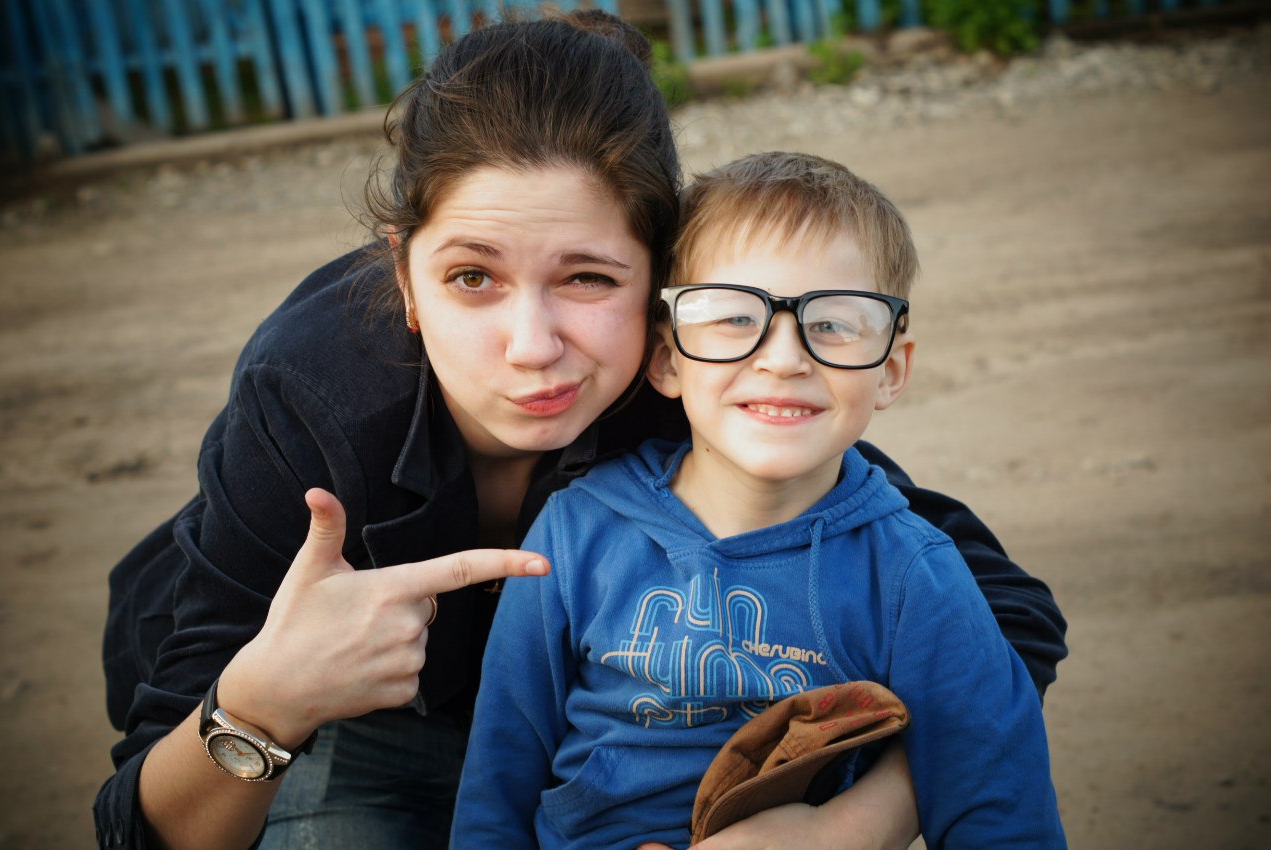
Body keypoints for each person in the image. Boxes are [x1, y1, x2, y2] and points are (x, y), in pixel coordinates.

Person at [94, 14, 1066, 850]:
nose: (533, 347)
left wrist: (847, 825)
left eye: (589, 277)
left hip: (599, 744)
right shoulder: (312, 395)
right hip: (355, 723)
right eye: (471, 276)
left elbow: (1004, 618)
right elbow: (144, 825)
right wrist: (267, 700)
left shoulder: (701, 373)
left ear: (660, 289)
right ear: (403, 276)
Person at [450, 152, 1067, 849]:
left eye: (833, 323)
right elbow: (499, 778)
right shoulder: (575, 533)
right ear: (667, 358)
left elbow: (999, 807)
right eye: (734, 317)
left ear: (891, 370)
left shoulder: (913, 576)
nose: (783, 358)